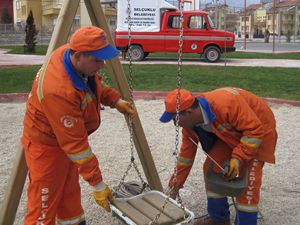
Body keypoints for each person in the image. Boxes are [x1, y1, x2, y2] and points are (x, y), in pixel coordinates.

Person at [21, 26, 136, 225]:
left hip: (61, 143)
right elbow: (77, 147)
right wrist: (98, 185)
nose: (102, 64)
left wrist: (115, 100)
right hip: (45, 149)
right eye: (97, 60)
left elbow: (93, 83)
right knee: (42, 209)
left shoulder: (71, 56)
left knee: (69, 200)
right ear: (79, 55)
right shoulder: (58, 91)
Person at [160, 87, 277, 225]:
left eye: (176, 119)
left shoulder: (226, 103)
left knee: (247, 185)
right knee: (211, 168)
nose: (176, 125)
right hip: (232, 133)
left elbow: (255, 131)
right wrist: (174, 186)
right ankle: (219, 218)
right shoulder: (190, 125)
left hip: (259, 132)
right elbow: (186, 158)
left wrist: (238, 158)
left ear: (188, 112)